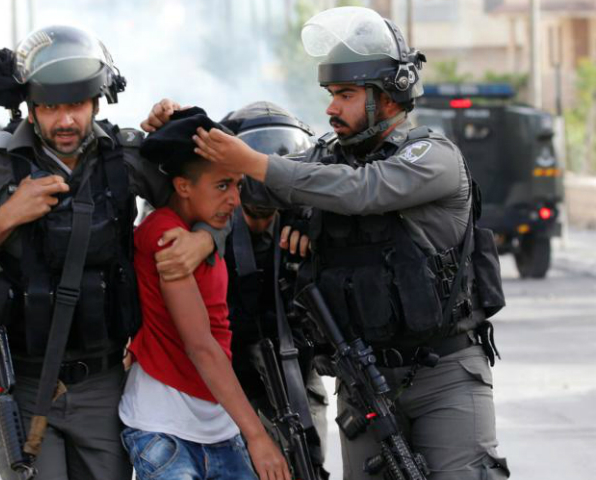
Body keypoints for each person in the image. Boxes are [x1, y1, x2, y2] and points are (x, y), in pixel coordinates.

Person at [148, 6, 510, 480]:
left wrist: (258, 165)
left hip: (444, 376)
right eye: (330, 94)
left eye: (346, 94)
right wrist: (184, 131)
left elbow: (363, 190)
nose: (331, 108)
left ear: (389, 96)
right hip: (363, 379)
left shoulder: (431, 158)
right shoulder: (323, 157)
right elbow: (247, 196)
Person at [0, 26, 226, 480]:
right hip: (25, 385)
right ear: (30, 107)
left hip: (103, 383)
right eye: (50, 107)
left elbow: (211, 198)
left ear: (96, 102)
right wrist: (6, 217)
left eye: (75, 105)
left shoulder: (126, 156)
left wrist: (205, 238)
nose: (64, 121)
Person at [118, 107, 291, 480]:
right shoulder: (167, 235)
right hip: (165, 428)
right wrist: (258, 436)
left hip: (216, 425)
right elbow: (201, 345)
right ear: (183, 187)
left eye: (237, 185)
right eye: (222, 186)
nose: (234, 200)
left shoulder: (205, 231)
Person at [220, 101, 330, 478]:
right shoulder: (209, 222)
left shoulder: (305, 219)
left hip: (297, 371)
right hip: (229, 379)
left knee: (307, 466)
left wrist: (311, 233)